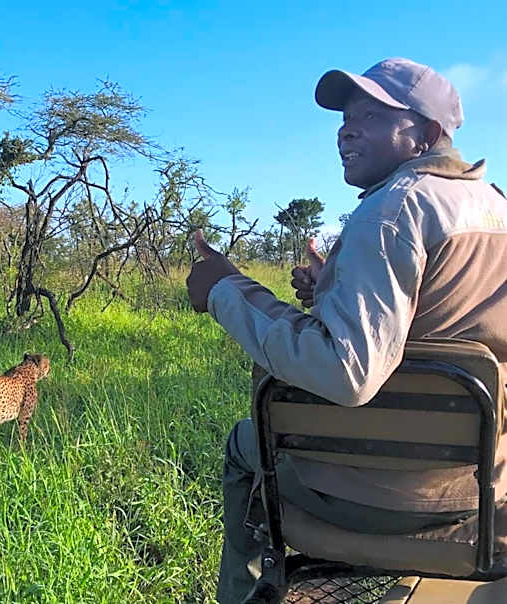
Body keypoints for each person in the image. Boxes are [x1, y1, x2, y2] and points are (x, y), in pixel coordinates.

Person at [185, 57, 507, 604]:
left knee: (243, 444)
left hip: (379, 493)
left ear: (427, 134)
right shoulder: (493, 206)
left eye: (372, 116)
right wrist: (333, 291)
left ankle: (244, 593)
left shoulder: (392, 210)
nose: (346, 130)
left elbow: (347, 373)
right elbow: (440, 325)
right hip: (479, 487)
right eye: (345, 117)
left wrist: (226, 290)